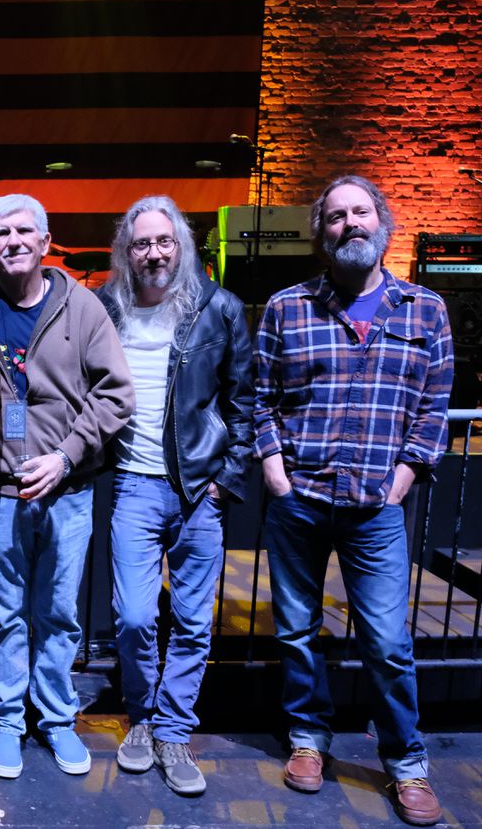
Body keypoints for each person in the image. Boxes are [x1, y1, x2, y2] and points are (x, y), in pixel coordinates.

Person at [255, 175, 451, 826]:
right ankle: (308, 738)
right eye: (336, 216)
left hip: (376, 505)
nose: (350, 224)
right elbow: (260, 397)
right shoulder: (287, 307)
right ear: (322, 231)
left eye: (360, 211)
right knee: (296, 631)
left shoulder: (425, 309)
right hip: (300, 497)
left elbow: (434, 406)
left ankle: (406, 763)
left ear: (382, 223)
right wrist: (276, 472)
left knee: (388, 642)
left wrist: (403, 478)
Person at [0, 194, 134, 780]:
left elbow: (116, 394)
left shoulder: (82, 307)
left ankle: (57, 718)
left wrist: (65, 456)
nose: (13, 241)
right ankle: (7, 721)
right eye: (1, 233)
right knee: (6, 615)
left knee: (60, 615)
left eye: (23, 231)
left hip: (68, 491)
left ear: (44, 241)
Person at [98, 195, 253, 795]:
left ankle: (172, 730)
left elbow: (243, 403)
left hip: (198, 491)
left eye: (164, 241)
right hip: (133, 484)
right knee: (135, 616)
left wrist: (223, 482)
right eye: (142, 243)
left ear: (182, 245)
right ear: (127, 251)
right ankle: (141, 716)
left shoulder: (219, 308)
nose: (154, 253)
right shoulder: (107, 306)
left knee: (191, 621)